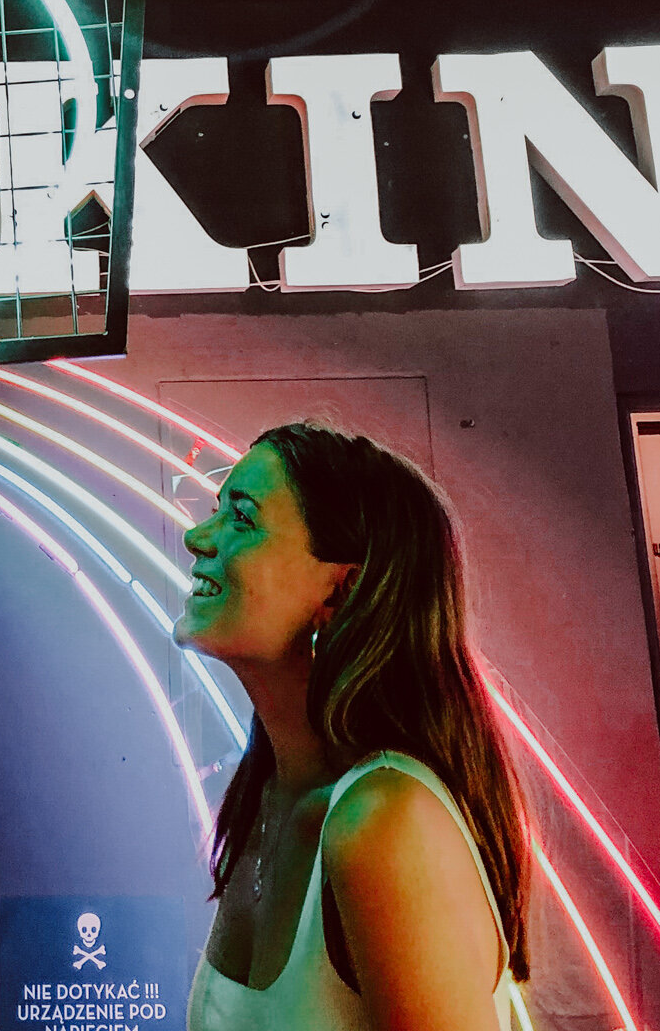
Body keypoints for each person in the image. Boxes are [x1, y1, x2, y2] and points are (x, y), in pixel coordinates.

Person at [177, 421, 529, 1031]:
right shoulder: (266, 799)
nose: (194, 536)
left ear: (341, 591)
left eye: (241, 519)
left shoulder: (383, 821)